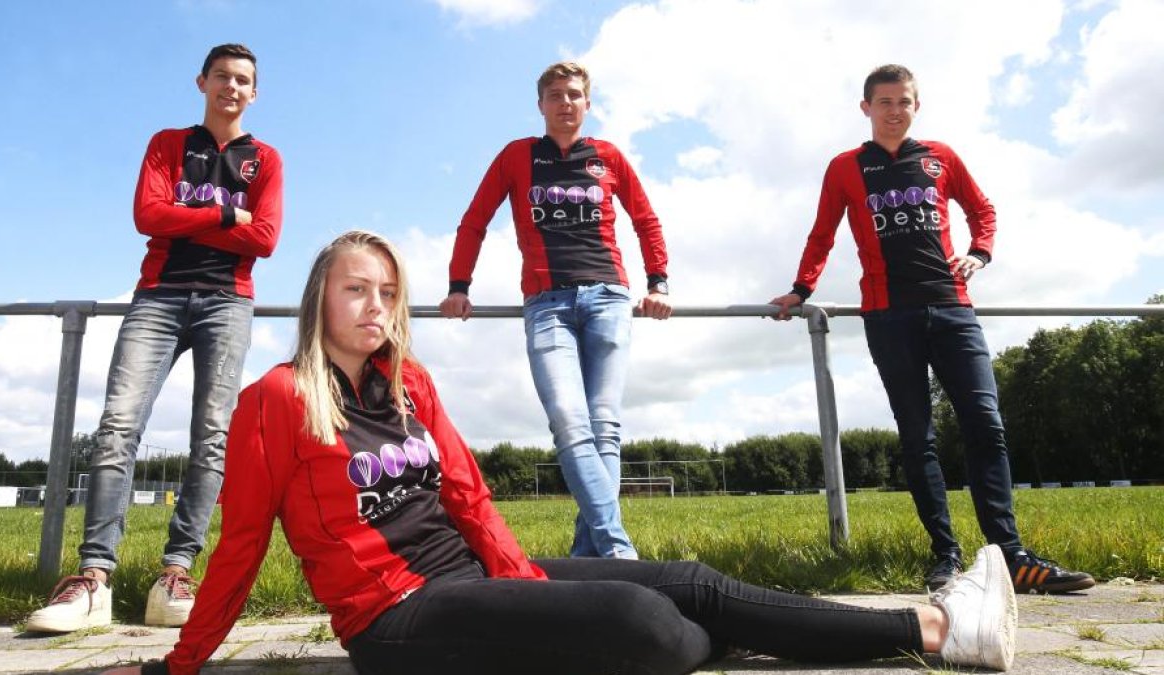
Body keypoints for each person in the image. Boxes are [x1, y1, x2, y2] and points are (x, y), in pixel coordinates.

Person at [102, 230, 1016, 675]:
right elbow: (240, 544)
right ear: (319, 301)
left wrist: (532, 585)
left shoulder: (411, 382)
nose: (375, 305)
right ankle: (763, 633)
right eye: (355, 289)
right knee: (647, 621)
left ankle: (938, 628)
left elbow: (469, 498)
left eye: (387, 291)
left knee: (690, 581)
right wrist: (179, 667)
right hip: (396, 620)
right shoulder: (276, 399)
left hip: (469, 575)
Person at [769, 64, 1093, 594]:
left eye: (904, 102)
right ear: (866, 108)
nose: (895, 111)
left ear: (916, 106)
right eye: (885, 102)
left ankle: (1011, 557)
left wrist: (980, 253)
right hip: (888, 316)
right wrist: (800, 290)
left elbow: (982, 209)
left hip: (952, 309)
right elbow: (822, 233)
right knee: (918, 437)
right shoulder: (846, 167)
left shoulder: (941, 157)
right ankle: (946, 556)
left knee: (986, 425)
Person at [26, 43, 283, 632]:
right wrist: (227, 216)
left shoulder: (265, 159)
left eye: (242, 80)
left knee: (212, 437)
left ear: (255, 93)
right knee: (118, 427)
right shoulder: (168, 144)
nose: (232, 87)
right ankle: (94, 579)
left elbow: (266, 238)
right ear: (202, 82)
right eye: (222, 76)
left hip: (228, 302)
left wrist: (189, 220)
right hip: (159, 296)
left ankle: (175, 573)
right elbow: (148, 215)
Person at [439, 61, 672, 560]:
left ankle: (590, 556)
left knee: (605, 426)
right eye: (555, 95)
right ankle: (617, 551)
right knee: (569, 419)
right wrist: (459, 285)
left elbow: (646, 220)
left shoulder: (609, 156)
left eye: (574, 94)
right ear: (540, 104)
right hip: (547, 304)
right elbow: (475, 220)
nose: (566, 103)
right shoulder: (517, 156)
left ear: (587, 103)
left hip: (609, 297)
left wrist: (659, 282)